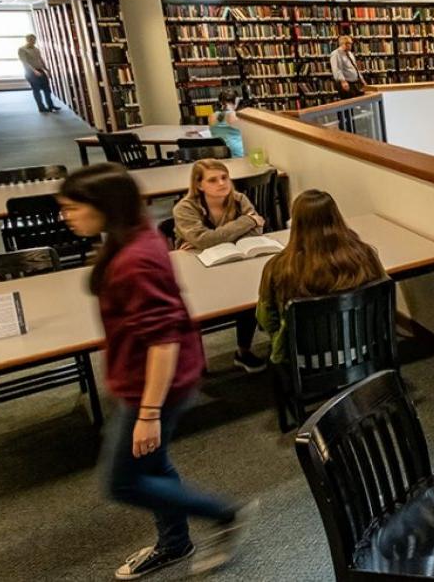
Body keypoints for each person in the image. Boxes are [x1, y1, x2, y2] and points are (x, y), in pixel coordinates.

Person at [56, 164, 248, 579]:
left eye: (72, 207)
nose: (65, 216)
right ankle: (174, 542)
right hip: (145, 378)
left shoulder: (134, 260)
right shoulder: (136, 237)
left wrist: (148, 414)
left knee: (121, 482)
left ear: (103, 206)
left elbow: (163, 342)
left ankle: (224, 513)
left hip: (154, 385)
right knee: (153, 466)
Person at [256, 190, 387, 365]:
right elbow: (383, 299)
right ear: (337, 218)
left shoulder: (278, 267)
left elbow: (266, 318)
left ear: (296, 224)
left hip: (305, 361)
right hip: (363, 349)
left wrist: (277, 338)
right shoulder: (365, 255)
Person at [172, 159, 266, 370]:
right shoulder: (185, 208)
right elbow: (204, 240)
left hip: (235, 263)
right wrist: (247, 222)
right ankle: (194, 361)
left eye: (224, 178)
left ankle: (244, 350)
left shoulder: (239, 199)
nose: (222, 183)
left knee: (250, 295)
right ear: (199, 185)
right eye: (213, 180)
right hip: (197, 268)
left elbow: (256, 232)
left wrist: (214, 237)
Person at [19, 34, 60, 113]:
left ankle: (50, 105)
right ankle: (41, 107)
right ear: (27, 40)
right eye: (31, 40)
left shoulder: (36, 49)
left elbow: (40, 59)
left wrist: (46, 69)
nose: (33, 41)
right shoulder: (22, 50)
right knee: (36, 90)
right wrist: (34, 71)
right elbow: (25, 62)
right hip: (30, 72)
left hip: (40, 70)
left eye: (34, 40)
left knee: (47, 89)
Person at [207, 90, 245, 158]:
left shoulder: (211, 116)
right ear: (236, 101)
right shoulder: (235, 116)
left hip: (218, 155)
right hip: (237, 154)